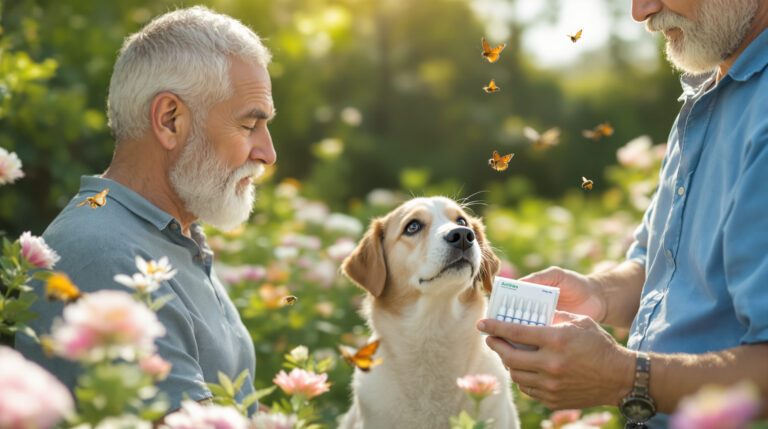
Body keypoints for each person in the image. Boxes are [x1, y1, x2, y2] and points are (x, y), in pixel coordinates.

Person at [477, 0, 768, 427]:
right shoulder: (710, 91)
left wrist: (625, 378)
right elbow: (663, 268)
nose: (641, 11)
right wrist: (597, 294)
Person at [15, 6, 276, 416]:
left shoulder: (169, 235)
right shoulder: (106, 254)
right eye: (249, 125)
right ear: (170, 120)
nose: (268, 153)